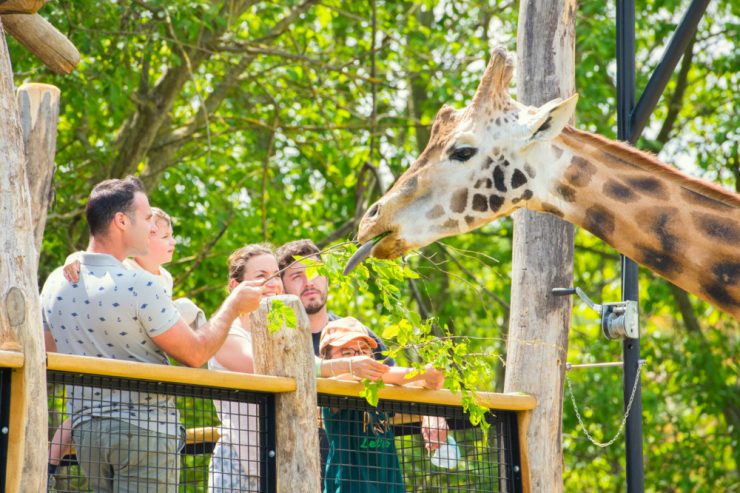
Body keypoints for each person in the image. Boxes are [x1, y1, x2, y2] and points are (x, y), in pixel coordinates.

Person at [41, 176, 264, 492]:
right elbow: (196, 353)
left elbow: (50, 353)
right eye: (147, 218)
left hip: (87, 435)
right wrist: (233, 306)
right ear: (121, 221)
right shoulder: (140, 285)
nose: (151, 227)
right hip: (145, 433)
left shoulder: (54, 283)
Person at [47, 207, 205, 481]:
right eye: (165, 235)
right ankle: (48, 464)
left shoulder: (163, 278)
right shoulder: (127, 269)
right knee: (72, 419)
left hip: (135, 390)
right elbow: (91, 259)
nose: (173, 242)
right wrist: (73, 258)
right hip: (108, 394)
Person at [276, 239, 449, 478]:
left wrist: (431, 411)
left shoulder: (355, 333)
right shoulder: (281, 339)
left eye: (316, 272)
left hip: (365, 473)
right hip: (298, 470)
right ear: (282, 287)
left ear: (327, 278)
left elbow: (394, 379)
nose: (309, 282)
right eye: (297, 276)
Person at [319, 317, 445, 493]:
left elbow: (416, 385)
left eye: (364, 350)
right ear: (328, 359)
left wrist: (430, 380)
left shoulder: (384, 389)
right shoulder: (335, 385)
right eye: (347, 353)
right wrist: (422, 373)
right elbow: (363, 375)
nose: (358, 358)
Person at [206, 244, 283, 492]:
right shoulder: (225, 334)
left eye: (277, 274)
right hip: (237, 464)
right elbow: (261, 367)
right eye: (262, 276)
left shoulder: (285, 335)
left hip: (283, 467)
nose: (273, 283)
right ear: (235, 286)